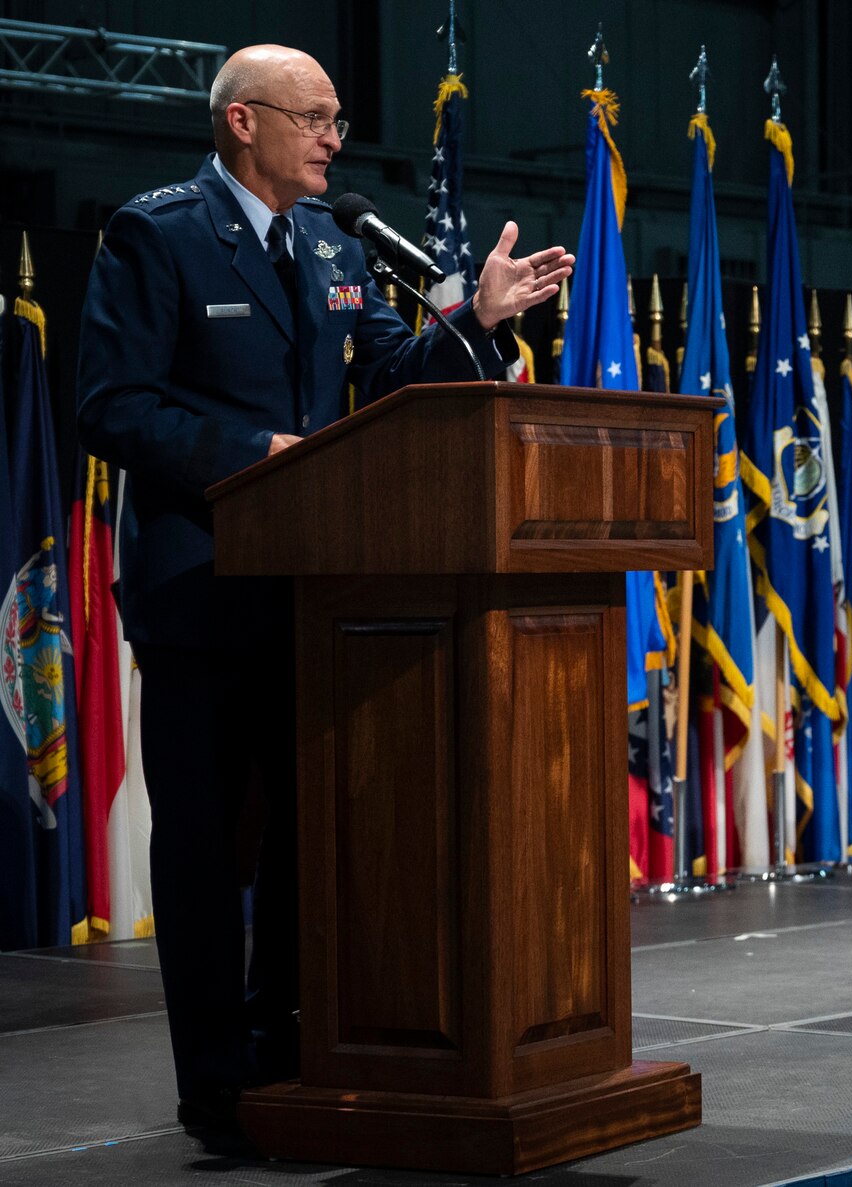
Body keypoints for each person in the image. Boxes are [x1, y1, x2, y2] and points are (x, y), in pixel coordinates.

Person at [74, 44, 573, 1139]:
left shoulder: (333, 240)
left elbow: (391, 382)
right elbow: (112, 408)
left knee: (312, 843)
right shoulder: (155, 234)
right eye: (316, 119)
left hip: (317, 596)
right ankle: (216, 1085)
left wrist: (475, 323)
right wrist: (264, 449)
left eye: (340, 121)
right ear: (244, 122)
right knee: (207, 850)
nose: (336, 141)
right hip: (203, 590)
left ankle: (291, 1054)